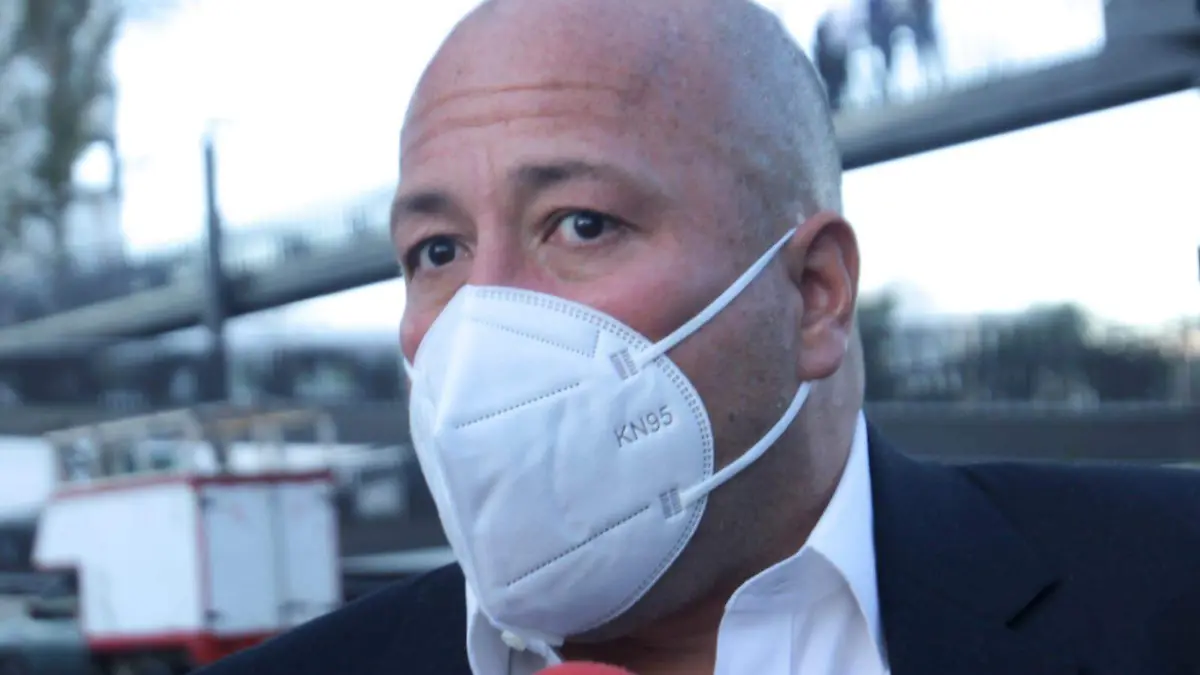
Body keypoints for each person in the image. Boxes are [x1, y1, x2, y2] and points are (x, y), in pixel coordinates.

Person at [198, 0, 1200, 673]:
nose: (480, 317)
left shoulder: (1166, 588)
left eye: (581, 224)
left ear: (814, 294)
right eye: (437, 251)